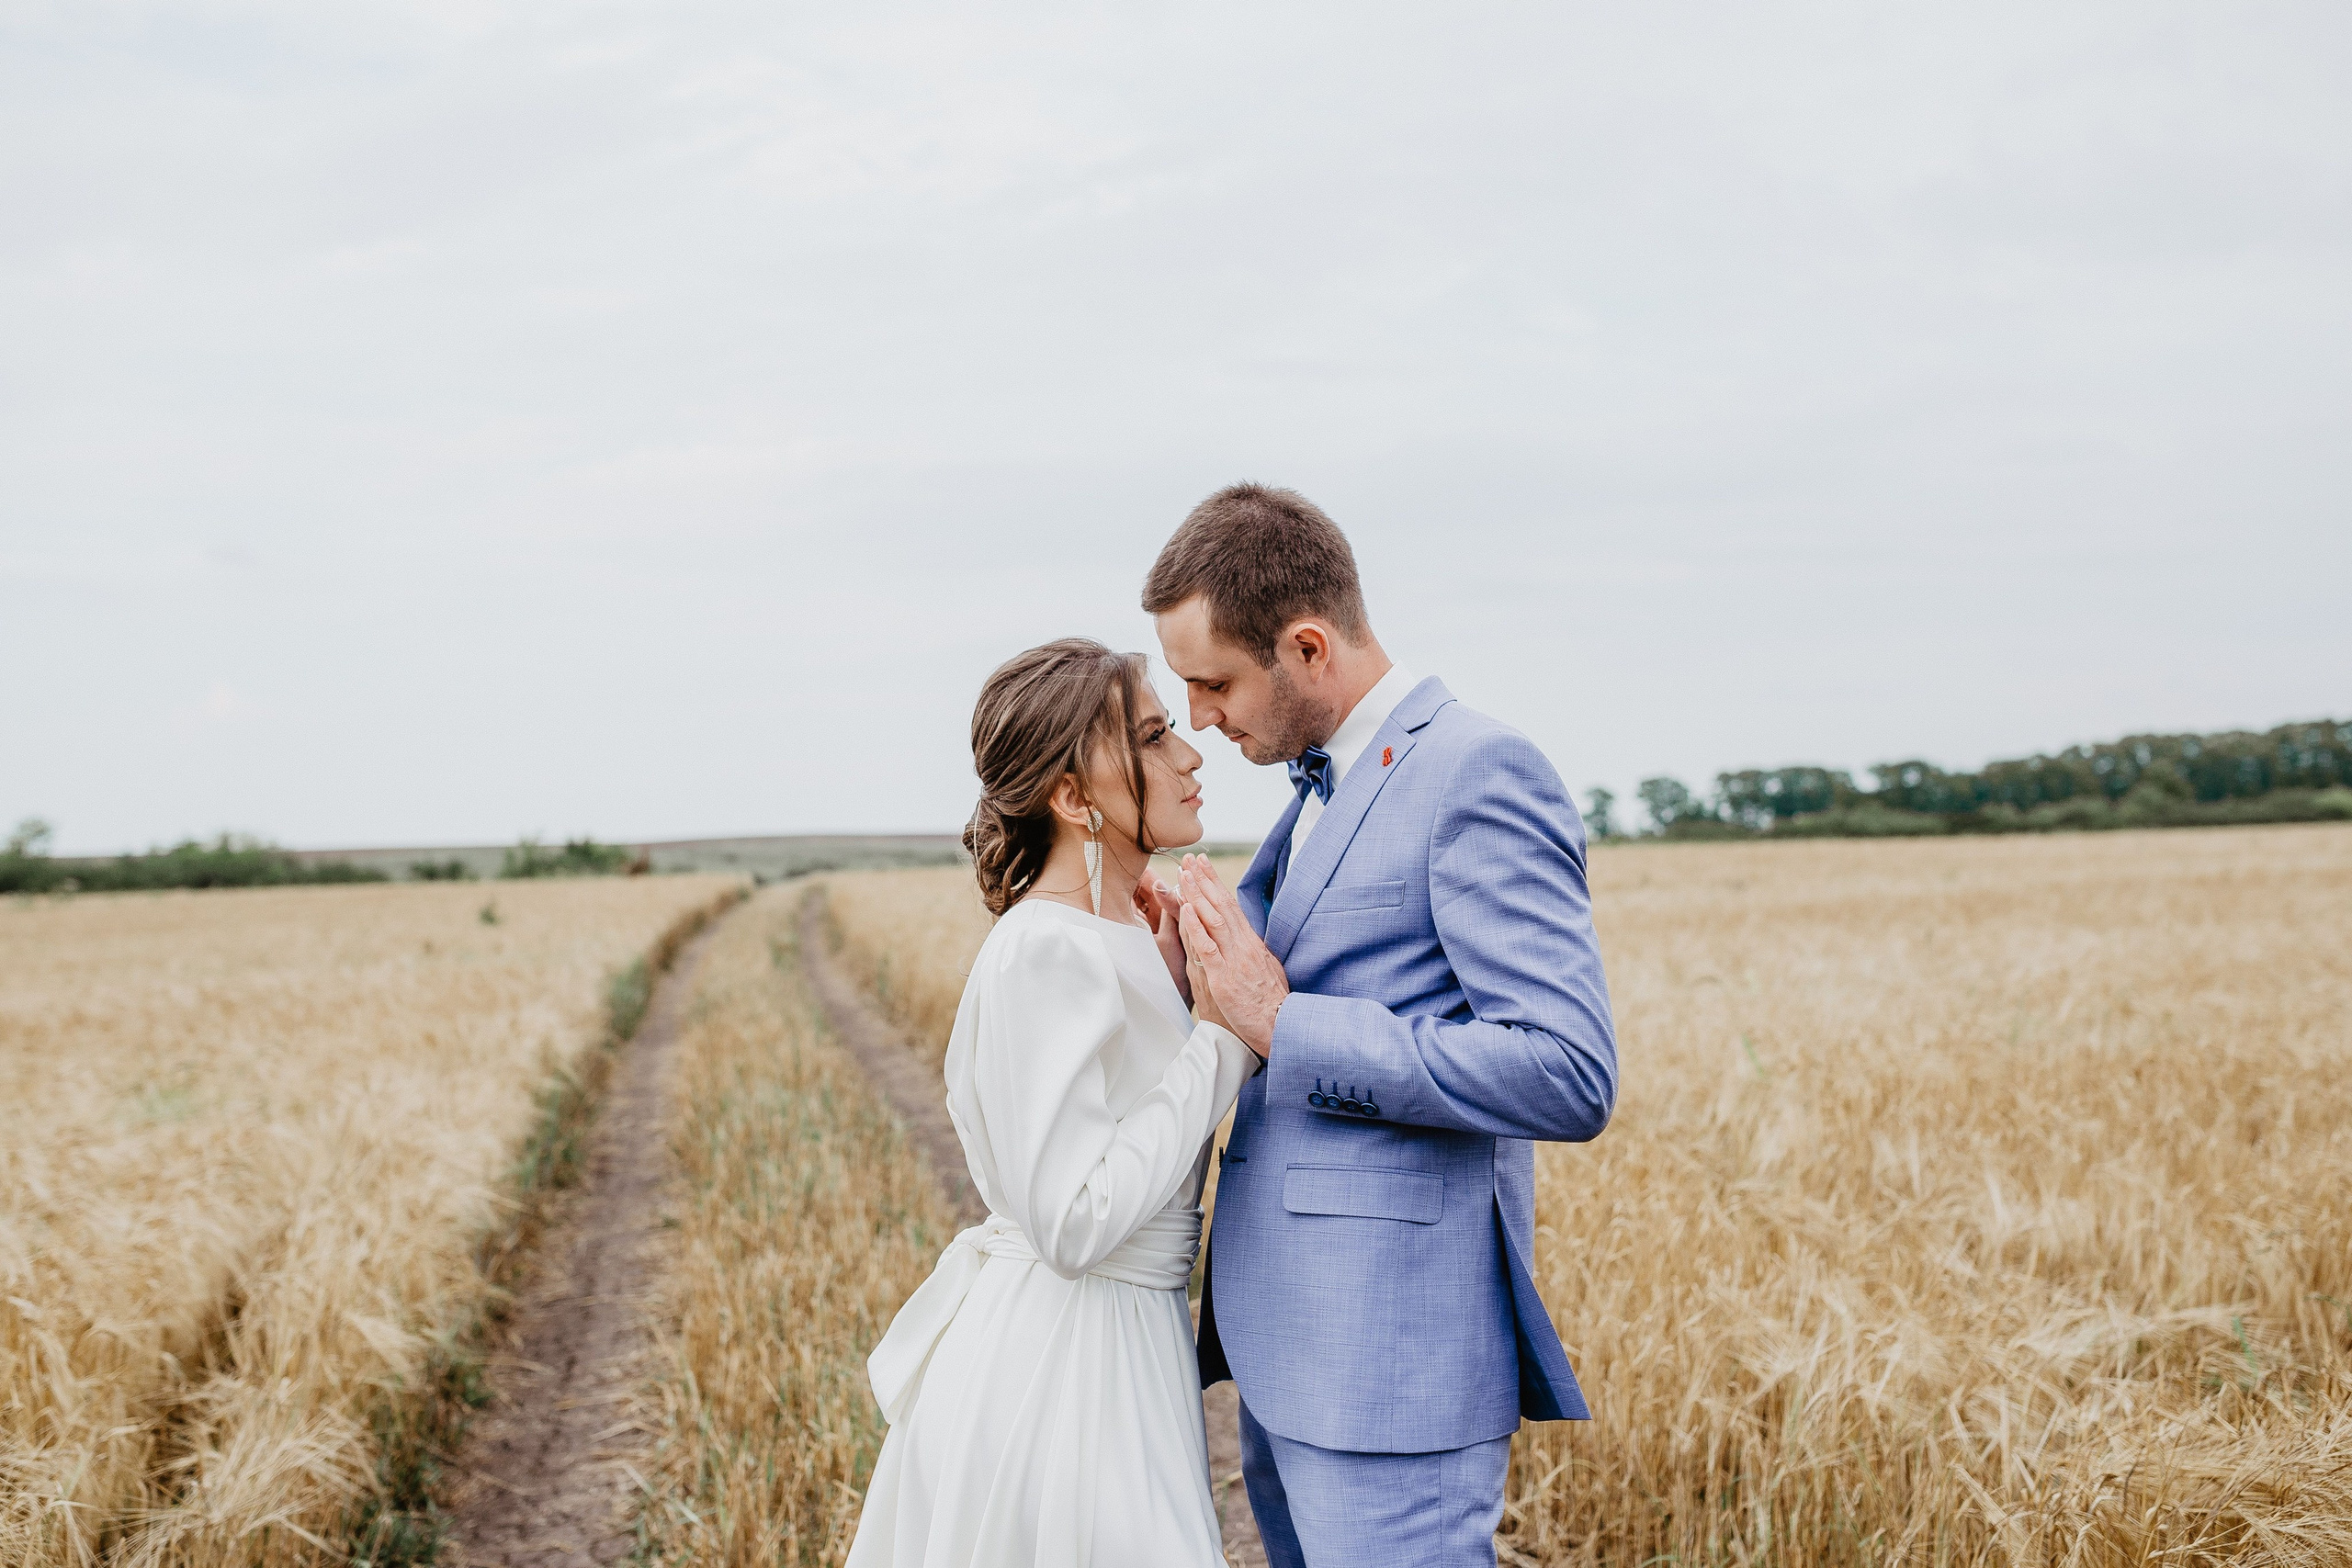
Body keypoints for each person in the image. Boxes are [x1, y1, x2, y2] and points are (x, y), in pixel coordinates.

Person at [1145, 483, 1618, 1568]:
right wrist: (1195, 980)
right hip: (1281, 1352)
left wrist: (1284, 1021)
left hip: (1391, 1370)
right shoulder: (1317, 788)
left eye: (1214, 683)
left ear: (1306, 646)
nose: (1203, 720)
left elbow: (1567, 1072)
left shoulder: (1476, 773)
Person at [846, 637, 1260, 1568]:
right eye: (1152, 737)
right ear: (1074, 799)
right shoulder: (1046, 949)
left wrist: (1172, 981)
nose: (1189, 752)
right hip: (1073, 1367)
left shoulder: (1104, 935)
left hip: (1122, 1340)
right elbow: (1073, 1224)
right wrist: (1225, 1038)